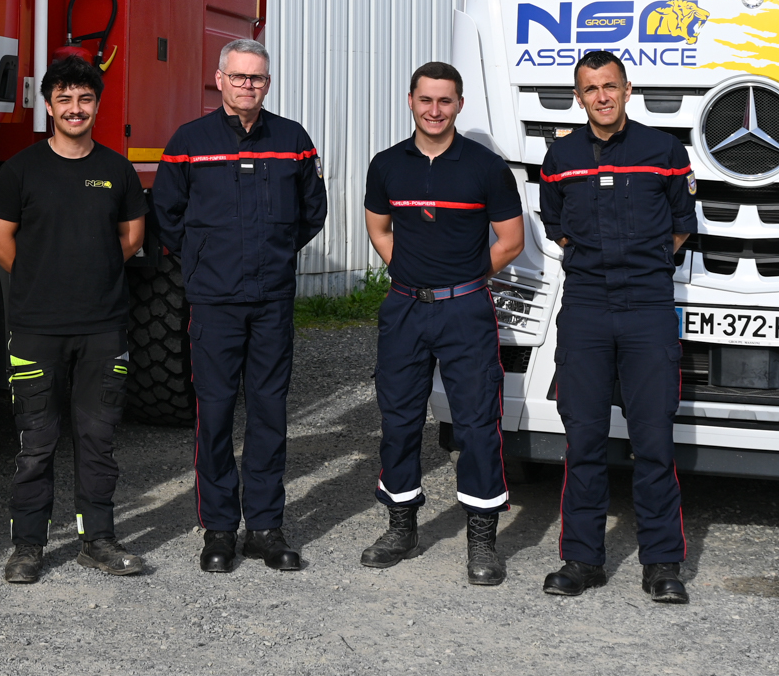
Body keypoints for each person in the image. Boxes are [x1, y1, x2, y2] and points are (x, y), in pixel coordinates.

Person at [155, 38, 327, 574]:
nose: (247, 85)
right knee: (215, 415)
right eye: (238, 76)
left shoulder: (292, 140)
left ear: (267, 84)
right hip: (213, 302)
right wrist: (203, 260)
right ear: (219, 79)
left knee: (270, 413)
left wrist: (274, 253)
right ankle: (220, 530)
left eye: (257, 78)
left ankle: (266, 529)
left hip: (271, 300)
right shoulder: (189, 141)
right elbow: (167, 214)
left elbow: (312, 212)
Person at [537, 49, 695, 605]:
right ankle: (582, 560)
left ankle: (662, 563)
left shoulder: (663, 150)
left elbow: (681, 224)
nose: (601, 97)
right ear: (578, 98)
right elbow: (556, 226)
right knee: (583, 438)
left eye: (609, 86)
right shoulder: (560, 157)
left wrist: (642, 264)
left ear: (628, 90)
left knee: (653, 440)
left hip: (647, 306)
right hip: (586, 306)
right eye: (590, 89)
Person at [0, 53, 150, 584]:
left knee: (98, 441)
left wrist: (90, 274)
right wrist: (45, 280)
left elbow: (132, 238)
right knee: (36, 443)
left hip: (103, 328)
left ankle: (97, 540)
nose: (75, 108)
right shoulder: (21, 169)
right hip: (36, 328)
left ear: (96, 105)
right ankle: (27, 546)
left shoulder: (116, 170)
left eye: (84, 99)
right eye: (64, 100)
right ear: (49, 107)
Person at [361, 61, 524, 586]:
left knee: (476, 424)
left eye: (445, 101)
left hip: (465, 309)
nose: (435, 110)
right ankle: (401, 528)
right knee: (399, 419)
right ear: (411, 100)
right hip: (405, 308)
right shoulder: (386, 165)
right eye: (426, 100)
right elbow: (379, 229)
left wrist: (463, 279)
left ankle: (482, 540)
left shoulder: (486, 167)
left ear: (459, 104)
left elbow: (511, 241)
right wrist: (411, 273)